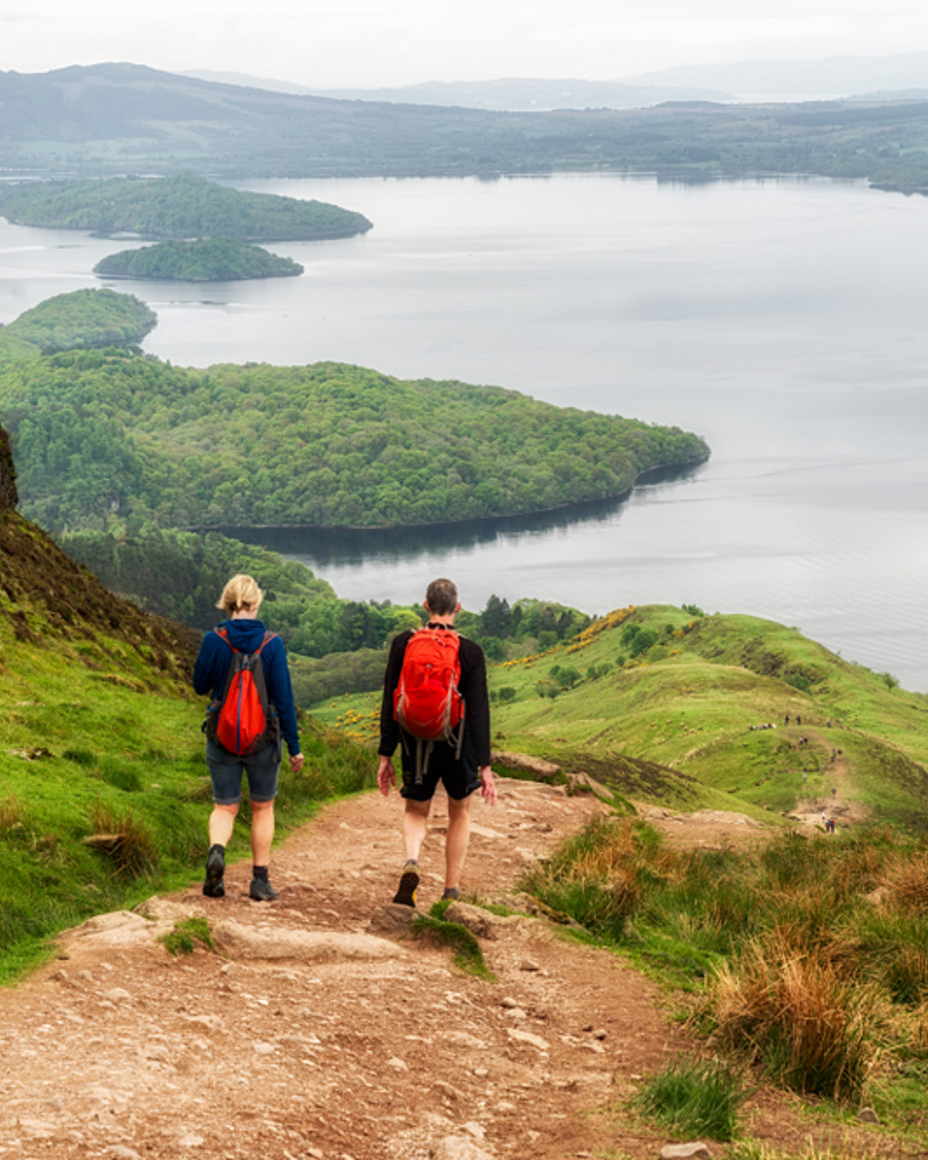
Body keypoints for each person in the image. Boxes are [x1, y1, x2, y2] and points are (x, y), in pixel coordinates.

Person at [377, 578, 497, 907]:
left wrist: (386, 753)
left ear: (427, 605)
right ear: (457, 608)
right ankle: (450, 891)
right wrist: (484, 765)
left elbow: (390, 698)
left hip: (415, 741)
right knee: (459, 811)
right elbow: (479, 711)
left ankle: (412, 861)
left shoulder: (403, 643)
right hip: (458, 745)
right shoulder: (470, 652)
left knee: (416, 809)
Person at [193, 574, 304, 901]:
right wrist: (294, 747)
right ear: (255, 603)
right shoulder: (272, 643)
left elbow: (200, 685)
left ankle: (217, 852)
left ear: (228, 604)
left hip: (221, 737)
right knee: (262, 807)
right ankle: (259, 882)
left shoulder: (214, 640)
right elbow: (283, 700)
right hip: (263, 742)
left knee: (224, 807)